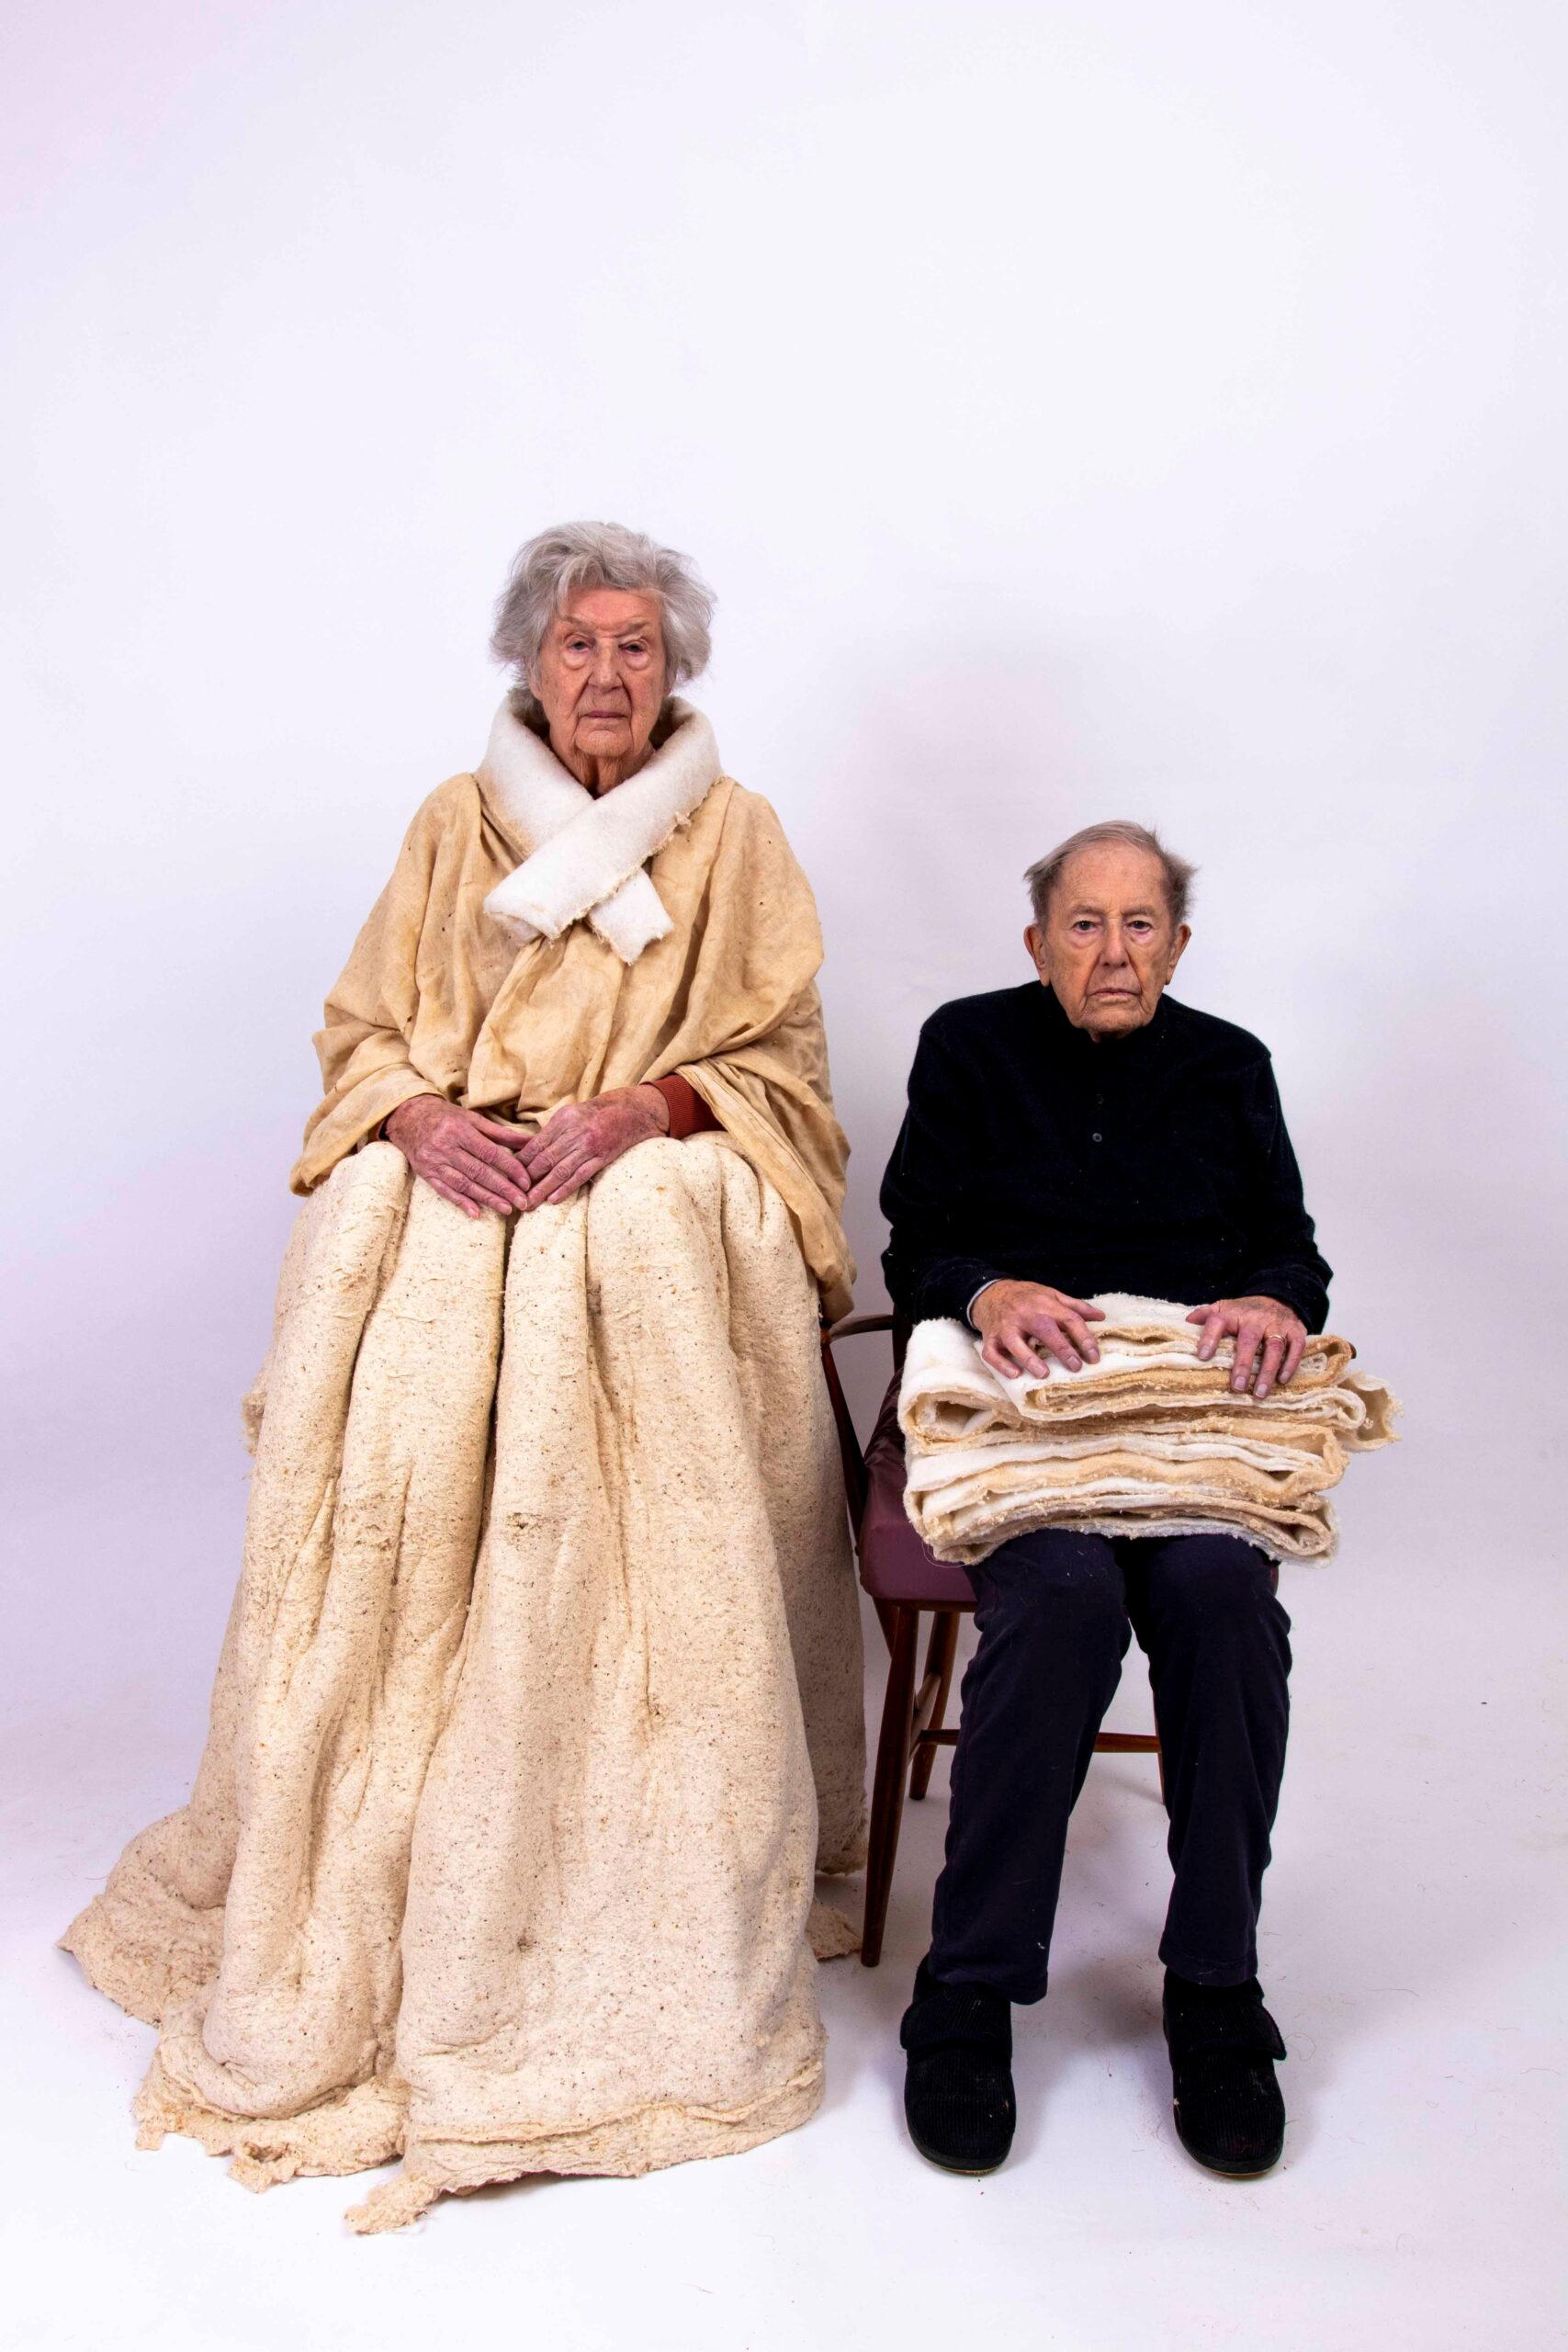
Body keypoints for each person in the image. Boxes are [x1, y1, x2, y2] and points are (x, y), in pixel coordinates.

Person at [63, 522, 865, 2233]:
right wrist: (423, 1119)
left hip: (635, 1160)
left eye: (636, 647)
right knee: (391, 1224)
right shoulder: (453, 821)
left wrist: (645, 1112)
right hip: (480, 1162)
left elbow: (781, 1061)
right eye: (579, 645)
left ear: (676, 669)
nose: (607, 674)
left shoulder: (737, 833)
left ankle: (623, 1818)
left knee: (639, 1227)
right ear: (530, 663)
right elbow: (365, 1030)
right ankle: (390, 1768)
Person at [879, 820, 1332, 2180]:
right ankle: (967, 1993)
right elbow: (916, 1241)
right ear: (1039, 943)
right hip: (1026, 1403)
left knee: (1222, 1597)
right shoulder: (969, 1045)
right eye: (1086, 924)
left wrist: (1273, 1301)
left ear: (1179, 946)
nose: (1115, 952)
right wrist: (986, 1289)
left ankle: (1216, 1987)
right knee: (1066, 1596)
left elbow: (1291, 1253)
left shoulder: (1229, 1065)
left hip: (1178, 1413)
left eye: (1141, 925)